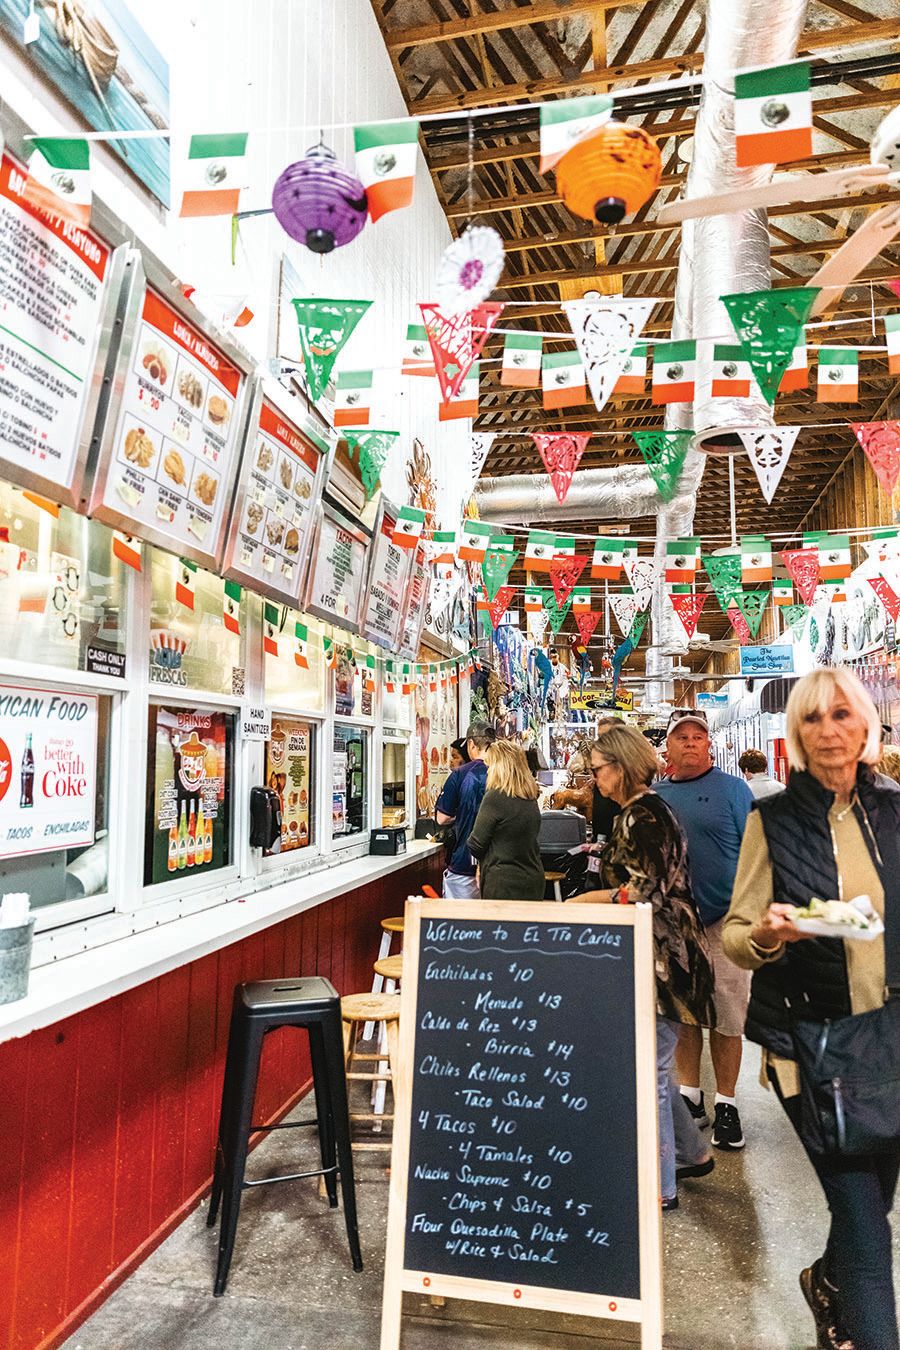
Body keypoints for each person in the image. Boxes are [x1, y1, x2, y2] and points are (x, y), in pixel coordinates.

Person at [723, 668, 900, 1350]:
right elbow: (738, 935)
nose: (829, 730)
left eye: (842, 715)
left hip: (889, 1045)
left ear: (865, 725)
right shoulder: (772, 821)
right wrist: (771, 932)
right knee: (865, 1224)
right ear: (795, 735)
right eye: (812, 719)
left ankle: (826, 1281)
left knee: (870, 1207)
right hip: (813, 1052)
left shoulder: (893, 812)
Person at [571, 724, 716, 1210]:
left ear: (622, 766)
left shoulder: (644, 815)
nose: (594, 780)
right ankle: (693, 1152)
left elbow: (643, 892)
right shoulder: (639, 813)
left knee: (650, 1073)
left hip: (664, 961)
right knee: (654, 1066)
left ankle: (660, 1188)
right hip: (659, 955)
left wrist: (586, 901)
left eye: (597, 770)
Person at [655, 709, 754, 1150]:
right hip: (675, 925)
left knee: (728, 1017)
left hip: (725, 921)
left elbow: (756, 854)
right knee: (683, 1013)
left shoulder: (734, 790)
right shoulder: (656, 796)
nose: (691, 742)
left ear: (708, 745)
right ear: (669, 748)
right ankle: (690, 1096)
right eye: (682, 737)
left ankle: (727, 1104)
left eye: (699, 736)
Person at [467, 741, 544, 900]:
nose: (488, 770)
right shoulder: (530, 797)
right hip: (533, 879)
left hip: (503, 884)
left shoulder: (495, 797)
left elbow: (476, 844)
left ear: (499, 767)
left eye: (489, 765)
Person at [435, 724, 495, 898]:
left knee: (460, 922)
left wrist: (462, 813)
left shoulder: (460, 774)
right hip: (496, 867)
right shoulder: (504, 774)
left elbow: (442, 818)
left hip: (464, 862)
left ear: (471, 744)